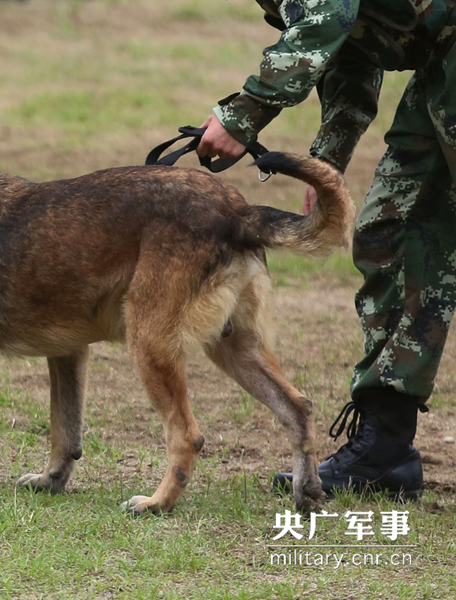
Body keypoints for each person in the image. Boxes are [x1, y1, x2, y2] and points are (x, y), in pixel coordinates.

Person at [195, 0, 456, 499]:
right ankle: (386, 449)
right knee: (392, 231)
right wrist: (328, 156)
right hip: (440, 63)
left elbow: (327, 17)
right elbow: (351, 48)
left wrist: (243, 113)